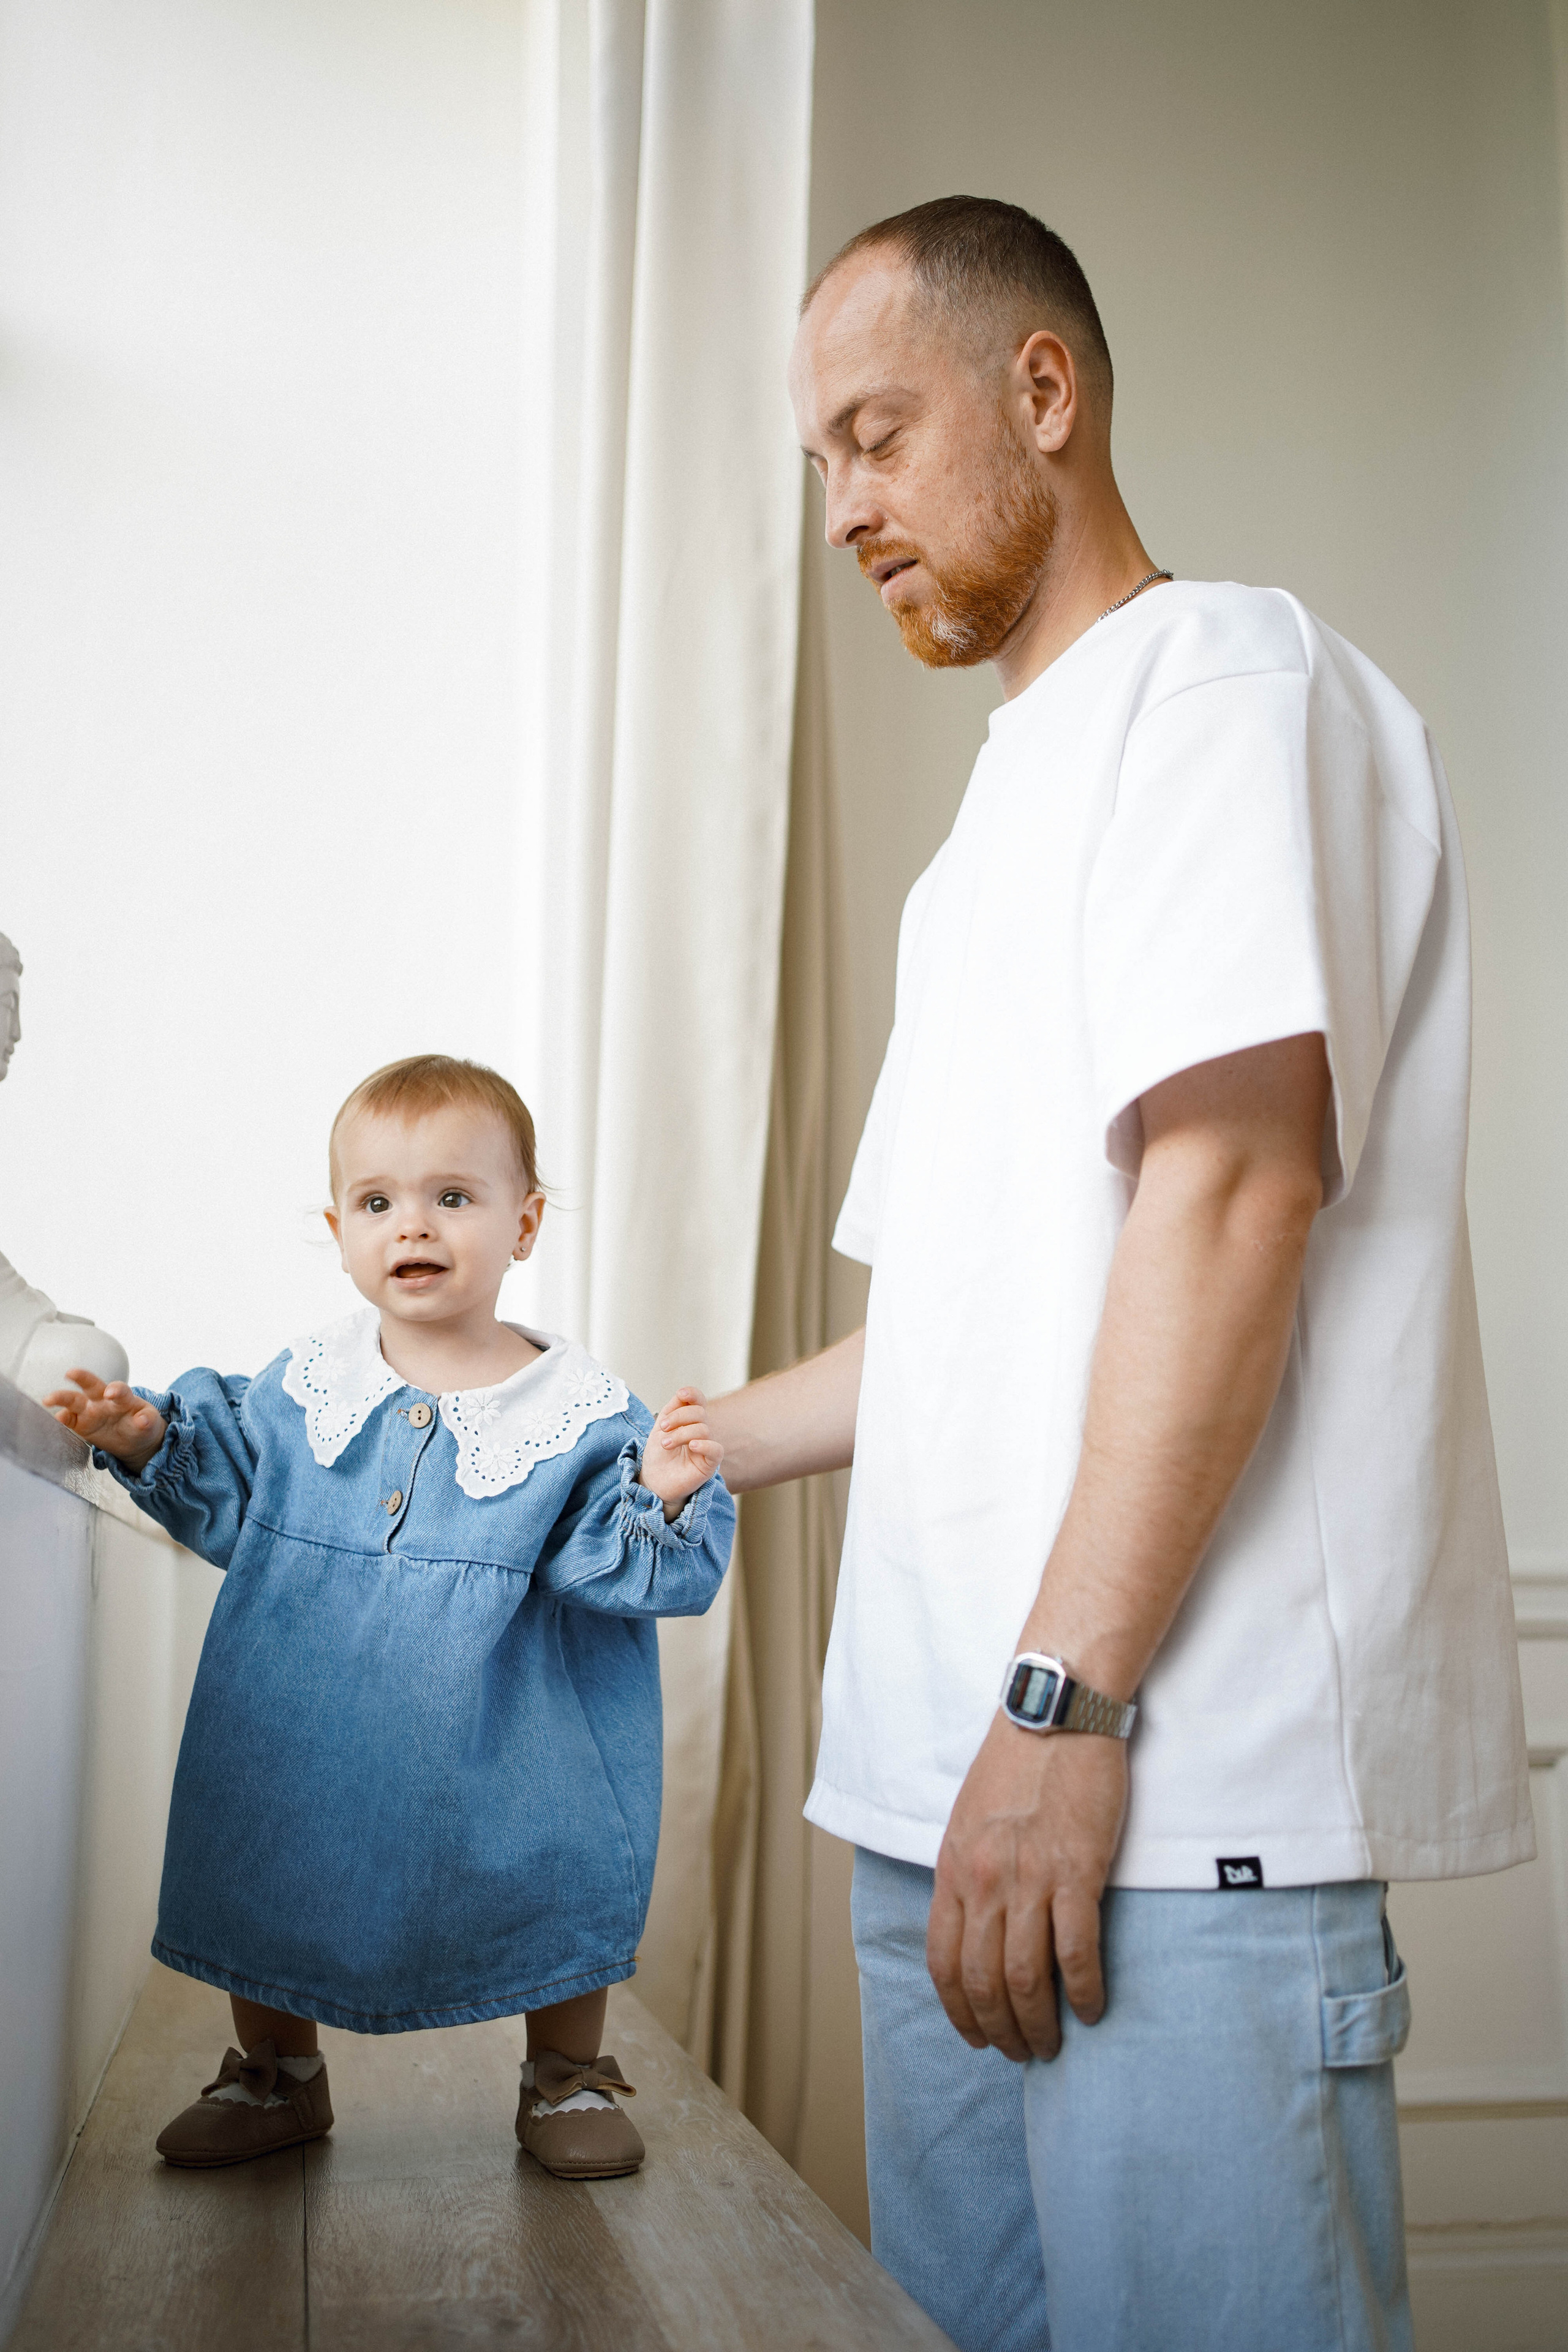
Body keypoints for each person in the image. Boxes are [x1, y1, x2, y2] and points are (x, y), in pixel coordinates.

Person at [649, 197, 1532, 2352]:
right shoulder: (987, 836)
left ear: (1042, 392)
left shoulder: (1227, 686)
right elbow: (973, 1319)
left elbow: (1235, 1192)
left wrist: (1064, 1711)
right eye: (819, 465)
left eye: (877, 435)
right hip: (938, 1801)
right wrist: (672, 1439)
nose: (845, 507)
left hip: (1150, 1792)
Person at [49, 1052, 733, 2179]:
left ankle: (565, 2074)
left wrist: (657, 1493)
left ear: (525, 1224)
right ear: (339, 1227)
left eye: (453, 1197)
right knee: (270, 1853)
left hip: (519, 1728)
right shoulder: (307, 1382)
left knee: (548, 1862)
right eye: (378, 1202)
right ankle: (277, 2071)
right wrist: (143, 1435)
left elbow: (626, 1570)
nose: (412, 1225)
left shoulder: (580, 1411)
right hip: (299, 1703)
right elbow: (232, 1494)